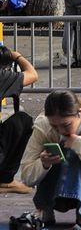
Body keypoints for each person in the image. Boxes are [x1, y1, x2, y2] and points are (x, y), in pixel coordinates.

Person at [21, 90, 81, 228]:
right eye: (54, 126)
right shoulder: (43, 124)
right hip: (55, 191)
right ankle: (44, 209)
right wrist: (43, 164)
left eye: (66, 125)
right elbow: (26, 177)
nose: (60, 131)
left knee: (74, 149)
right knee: (60, 150)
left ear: (79, 113)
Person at [0, 44, 38, 194]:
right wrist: (17, 56)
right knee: (23, 121)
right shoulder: (2, 77)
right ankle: (6, 181)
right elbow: (32, 74)